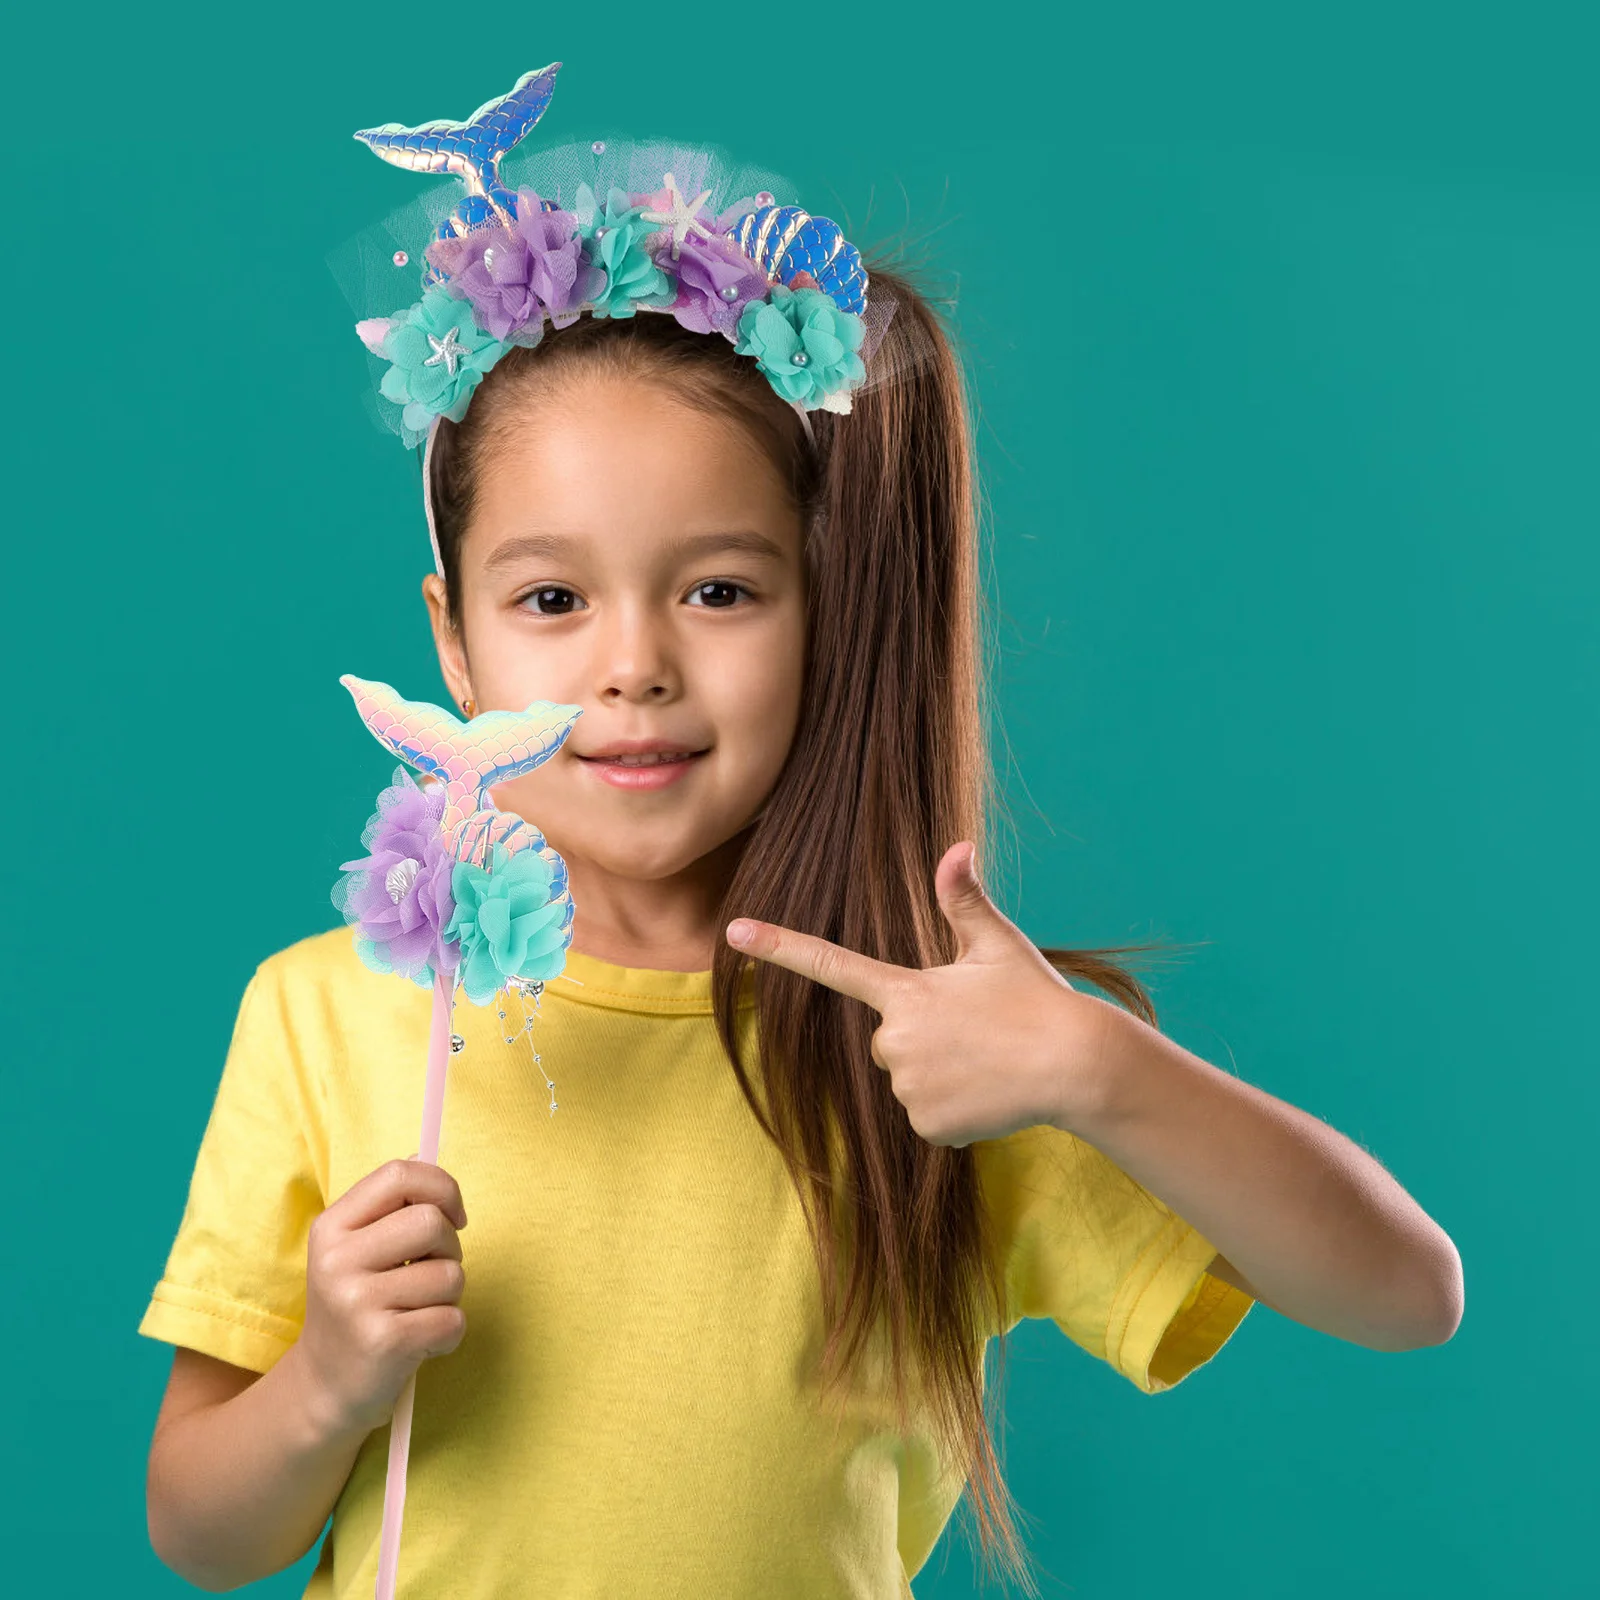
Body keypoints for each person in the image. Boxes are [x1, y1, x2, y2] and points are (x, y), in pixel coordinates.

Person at [137, 68, 1461, 1600]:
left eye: (720, 590)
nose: (634, 666)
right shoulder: (324, 1017)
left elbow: (1404, 1292)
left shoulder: (945, 1049)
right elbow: (199, 1533)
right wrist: (323, 1383)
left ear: (828, 616)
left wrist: (1095, 1066)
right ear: (455, 644)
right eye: (552, 599)